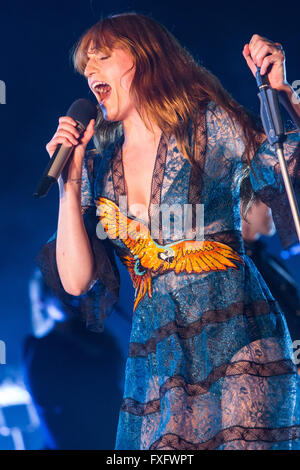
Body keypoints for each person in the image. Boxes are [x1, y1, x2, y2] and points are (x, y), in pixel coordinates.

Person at [36, 13, 300, 450]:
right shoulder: (101, 170)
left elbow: (287, 175)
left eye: (101, 58)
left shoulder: (208, 123)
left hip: (237, 334)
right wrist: (71, 181)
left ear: (143, 58)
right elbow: (76, 279)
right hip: (160, 357)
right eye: (86, 66)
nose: (90, 72)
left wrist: (281, 94)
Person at [22, 267, 130, 449]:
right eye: (57, 290)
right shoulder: (39, 348)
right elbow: (47, 408)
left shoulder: (100, 338)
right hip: (73, 440)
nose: (65, 297)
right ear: (41, 300)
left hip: (114, 434)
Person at [241, 199, 300, 347]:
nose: (276, 205)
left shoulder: (269, 259)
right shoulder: (237, 267)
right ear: (242, 205)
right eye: (265, 199)